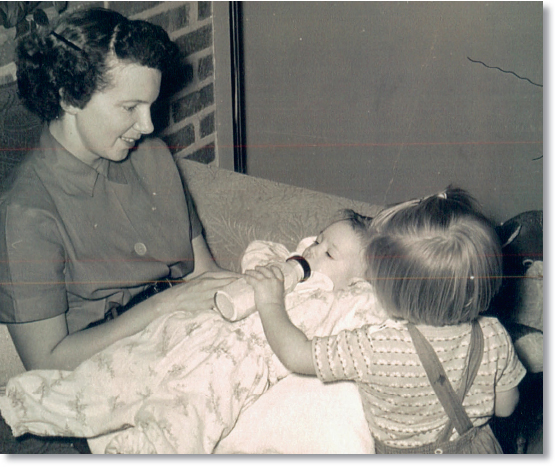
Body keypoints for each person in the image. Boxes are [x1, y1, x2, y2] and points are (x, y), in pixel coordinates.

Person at [0, 210, 388, 454]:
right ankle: (31, 400)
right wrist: (281, 263)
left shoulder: (340, 303)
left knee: (192, 410)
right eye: (319, 240)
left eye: (330, 254)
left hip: (239, 365)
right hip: (200, 327)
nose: (316, 252)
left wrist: (373, 287)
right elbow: (255, 251)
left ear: (357, 281)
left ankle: (141, 450)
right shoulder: (289, 262)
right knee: (124, 365)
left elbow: (367, 321)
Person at [0, 6, 240, 375]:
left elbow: (203, 273)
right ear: (69, 98)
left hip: (188, 340)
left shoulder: (155, 157)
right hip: (106, 373)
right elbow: (46, 360)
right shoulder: (25, 211)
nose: (146, 125)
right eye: (130, 107)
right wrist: (165, 306)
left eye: (150, 106)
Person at [246, 187, 527, 454]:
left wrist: (270, 302)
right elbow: (506, 406)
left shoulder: (375, 345)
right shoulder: (493, 334)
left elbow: (296, 355)